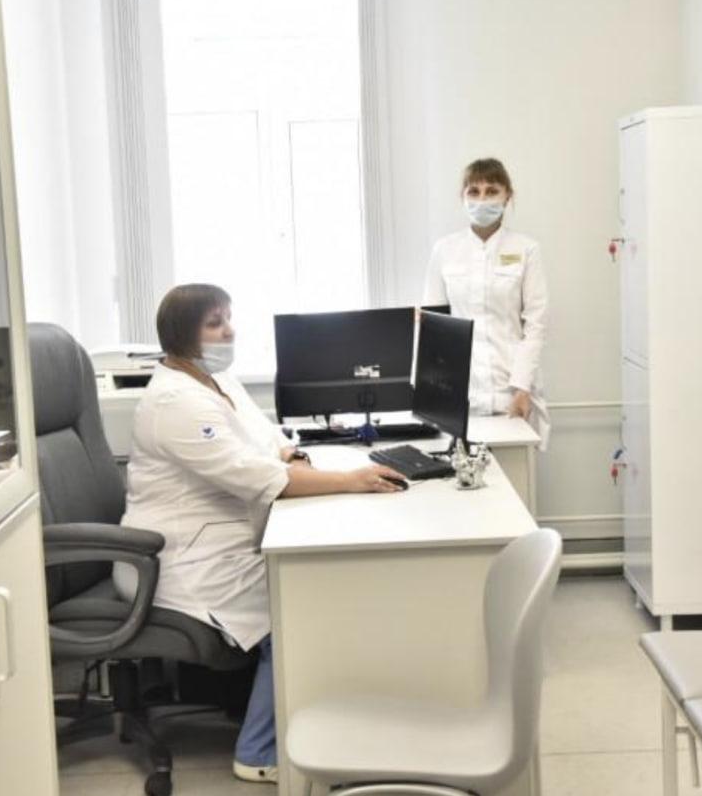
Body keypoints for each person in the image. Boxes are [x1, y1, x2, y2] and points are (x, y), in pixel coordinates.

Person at [113, 283, 405, 784]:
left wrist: (291, 454)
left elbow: (265, 438)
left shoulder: (214, 379)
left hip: (223, 541)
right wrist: (351, 480)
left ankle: (313, 724)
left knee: (316, 588)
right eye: (215, 323)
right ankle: (258, 752)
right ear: (182, 335)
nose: (229, 331)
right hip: (180, 561)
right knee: (302, 607)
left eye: (228, 318)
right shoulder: (176, 402)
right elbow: (258, 477)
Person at [423, 158, 550, 448]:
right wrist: (436, 393)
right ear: (463, 196)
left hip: (512, 393)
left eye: (492, 191)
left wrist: (522, 387)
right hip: (461, 395)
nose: (482, 200)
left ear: (508, 196)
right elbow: (434, 326)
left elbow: (536, 326)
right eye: (474, 191)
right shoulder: (445, 250)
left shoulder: (526, 249)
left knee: (515, 471)